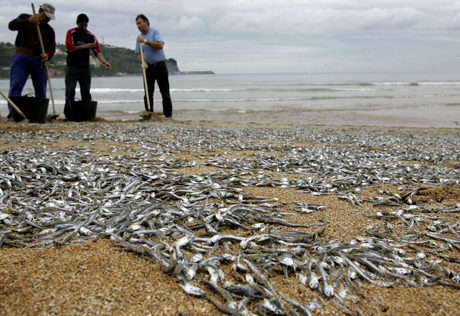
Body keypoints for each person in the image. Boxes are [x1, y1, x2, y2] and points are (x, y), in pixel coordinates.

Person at [7, 3, 56, 120]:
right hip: (21, 57)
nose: (48, 19)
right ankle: (13, 115)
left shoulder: (49, 30)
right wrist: (28, 21)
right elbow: (11, 26)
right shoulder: (24, 17)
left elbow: (52, 48)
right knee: (16, 85)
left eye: (50, 17)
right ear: (40, 11)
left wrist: (47, 56)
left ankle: (39, 115)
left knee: (41, 89)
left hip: (38, 60)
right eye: (46, 15)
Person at [64, 13, 111, 119]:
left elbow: (97, 50)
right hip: (72, 67)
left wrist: (104, 62)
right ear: (77, 24)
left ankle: (86, 115)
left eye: (85, 25)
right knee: (70, 91)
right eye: (82, 25)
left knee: (86, 91)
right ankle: (69, 115)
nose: (84, 27)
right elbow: (69, 47)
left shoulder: (90, 36)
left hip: (85, 68)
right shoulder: (71, 33)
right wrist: (86, 46)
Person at [135, 14, 173, 118]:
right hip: (148, 68)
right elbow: (139, 54)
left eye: (139, 23)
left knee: (164, 92)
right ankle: (149, 114)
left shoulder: (155, 32)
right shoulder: (138, 38)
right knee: (148, 93)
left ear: (146, 22)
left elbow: (160, 45)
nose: (138, 26)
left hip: (160, 66)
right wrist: (143, 62)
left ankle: (168, 115)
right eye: (137, 24)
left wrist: (145, 41)